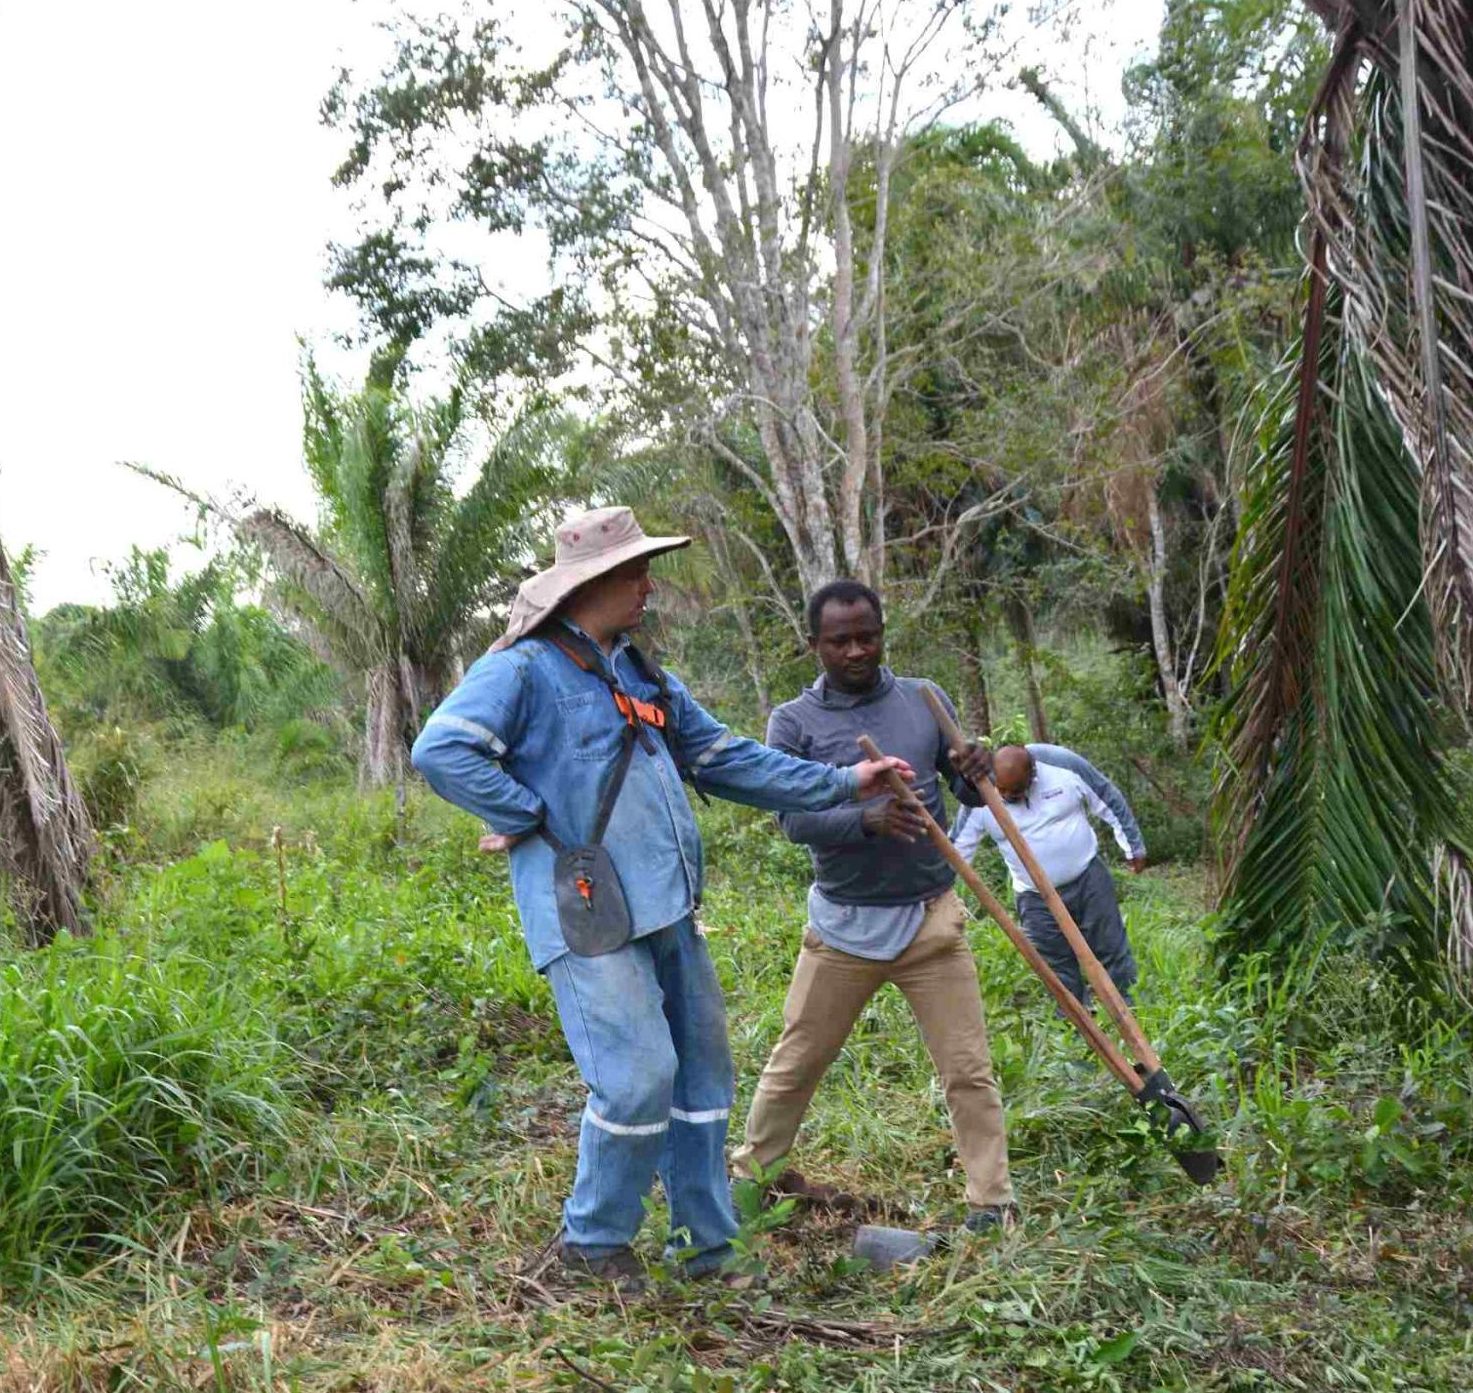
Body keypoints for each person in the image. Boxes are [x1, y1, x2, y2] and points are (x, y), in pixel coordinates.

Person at [410, 509, 912, 1288]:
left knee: (703, 1077)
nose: (649, 585)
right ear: (593, 583)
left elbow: (723, 756)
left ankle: (705, 1247)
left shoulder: (640, 673)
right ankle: (593, 1243)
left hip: (667, 899)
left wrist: (845, 780)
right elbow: (442, 748)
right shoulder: (524, 669)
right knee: (638, 1074)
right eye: (637, 572)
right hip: (587, 908)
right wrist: (530, 815)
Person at [731, 579, 1017, 1232]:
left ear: (882, 631)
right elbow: (792, 820)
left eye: (868, 635)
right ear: (815, 645)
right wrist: (866, 818)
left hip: (929, 923)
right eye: (841, 640)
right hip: (843, 928)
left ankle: (993, 1202)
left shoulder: (924, 699)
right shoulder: (794, 721)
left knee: (969, 1070)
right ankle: (750, 1182)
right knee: (796, 1061)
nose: (857, 650)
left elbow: (971, 793)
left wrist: (977, 769)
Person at [951, 743, 1147, 1007]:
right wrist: (940, 891)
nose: (1007, 796)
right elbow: (957, 848)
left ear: (1033, 774)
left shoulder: (1061, 764)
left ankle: (1131, 1011)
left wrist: (1132, 846)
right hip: (1035, 898)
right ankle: (1076, 1024)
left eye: (1016, 790)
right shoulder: (982, 791)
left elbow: (1106, 796)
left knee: (1112, 949)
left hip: (1088, 879)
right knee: (1057, 968)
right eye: (1003, 790)